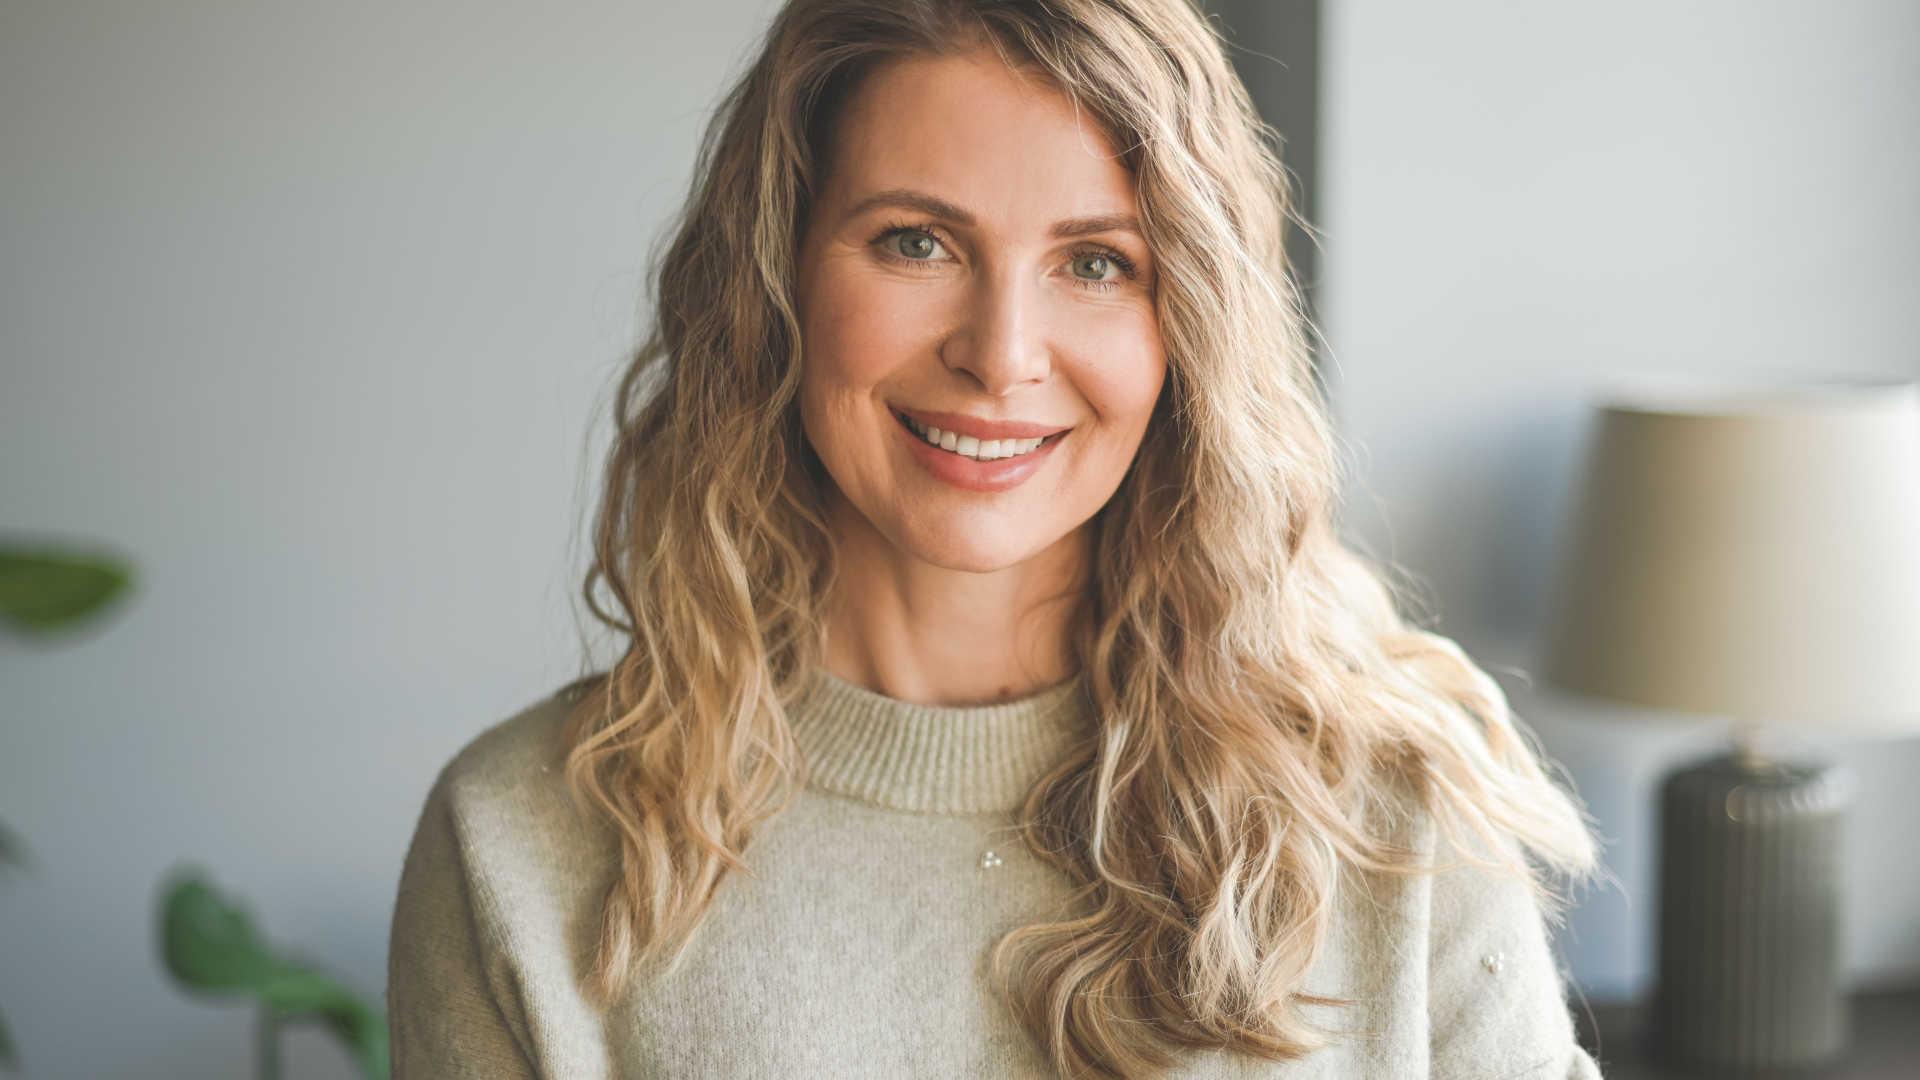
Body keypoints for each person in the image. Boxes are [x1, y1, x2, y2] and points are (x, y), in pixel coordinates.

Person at [389, 1, 1600, 1077]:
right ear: (777, 284)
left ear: (1188, 330)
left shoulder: (1403, 816)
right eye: (918, 241)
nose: (1002, 352)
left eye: (1095, 263)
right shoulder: (518, 850)